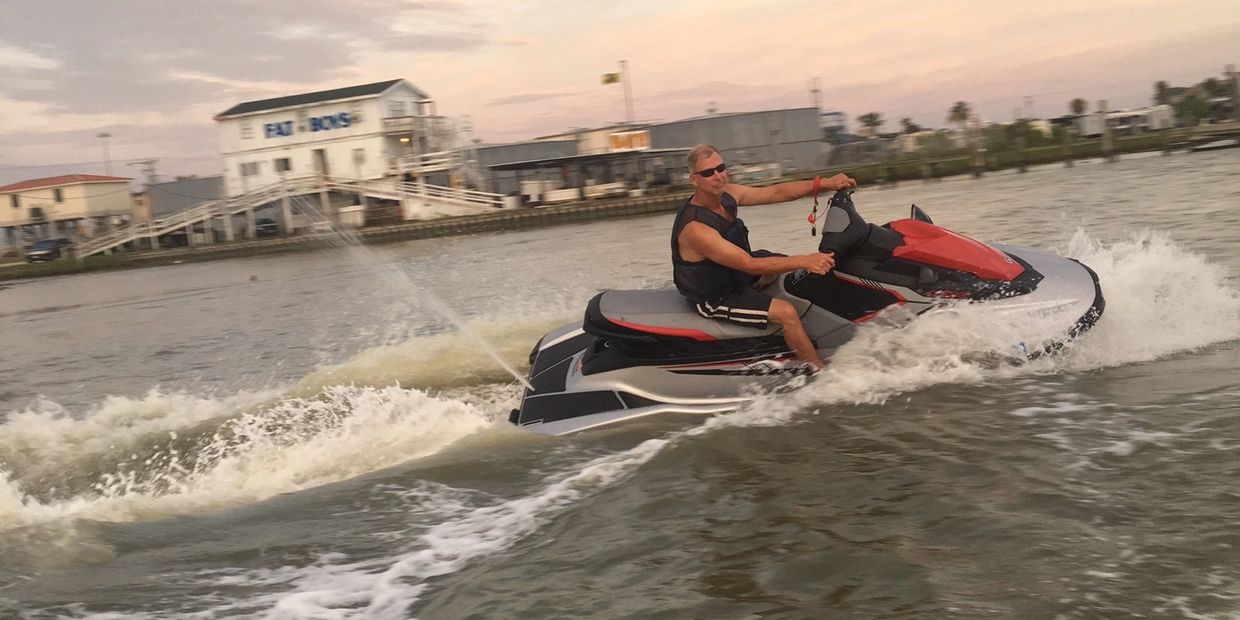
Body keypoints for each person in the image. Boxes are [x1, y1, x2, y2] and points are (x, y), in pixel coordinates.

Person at [671, 144, 856, 370]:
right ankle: (819, 372)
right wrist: (806, 259)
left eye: (721, 168)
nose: (718, 176)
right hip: (717, 295)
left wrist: (825, 183)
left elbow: (775, 193)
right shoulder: (696, 228)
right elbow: (749, 265)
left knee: (792, 273)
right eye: (708, 173)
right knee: (786, 312)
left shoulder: (728, 195)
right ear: (694, 180)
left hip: (733, 272)